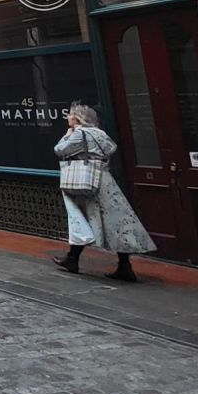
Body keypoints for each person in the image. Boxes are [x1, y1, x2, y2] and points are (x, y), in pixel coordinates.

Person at [53, 102, 156, 282]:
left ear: (77, 118)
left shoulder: (78, 134)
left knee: (80, 219)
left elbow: (59, 150)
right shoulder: (100, 133)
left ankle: (72, 260)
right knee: (116, 222)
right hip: (105, 180)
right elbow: (111, 148)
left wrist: (68, 135)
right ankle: (124, 265)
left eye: (70, 115)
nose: (67, 117)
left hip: (85, 182)